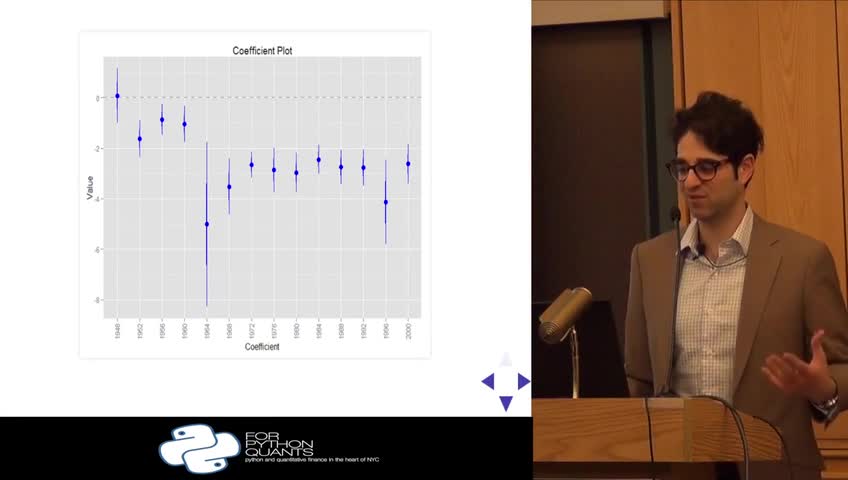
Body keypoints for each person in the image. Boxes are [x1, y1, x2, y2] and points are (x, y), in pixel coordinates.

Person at [624, 91, 848, 480]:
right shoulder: (650, 261)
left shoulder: (803, 260)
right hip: (680, 470)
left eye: (706, 167)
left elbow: (843, 368)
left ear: (745, 168)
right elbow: (637, 379)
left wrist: (823, 387)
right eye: (682, 168)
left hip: (774, 469)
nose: (690, 182)